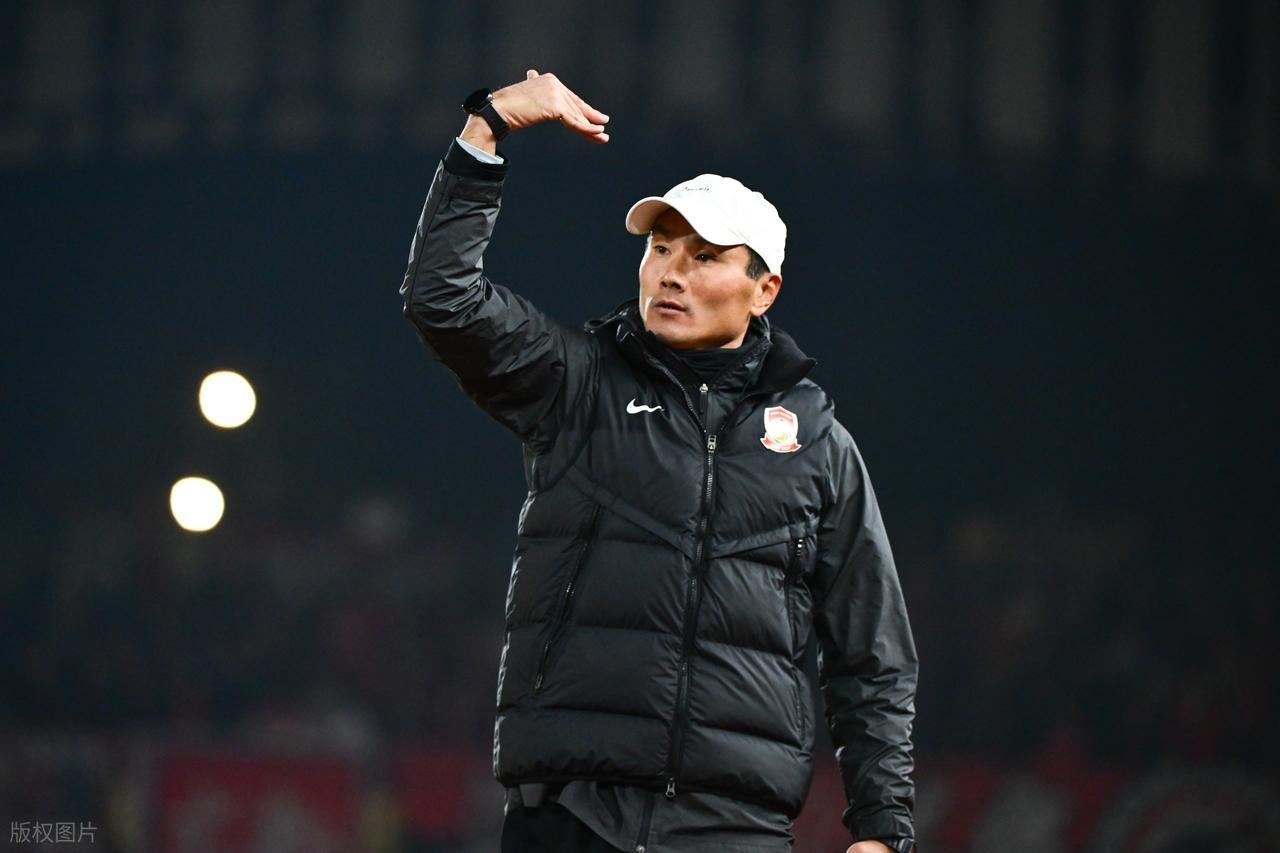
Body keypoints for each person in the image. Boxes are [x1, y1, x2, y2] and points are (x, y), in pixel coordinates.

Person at [400, 70, 917, 853]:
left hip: (735, 830)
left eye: (705, 256)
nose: (672, 271)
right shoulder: (578, 382)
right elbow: (442, 298)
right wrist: (488, 126)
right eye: (660, 247)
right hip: (572, 817)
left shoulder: (817, 444)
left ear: (764, 290)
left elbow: (872, 656)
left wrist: (883, 829)